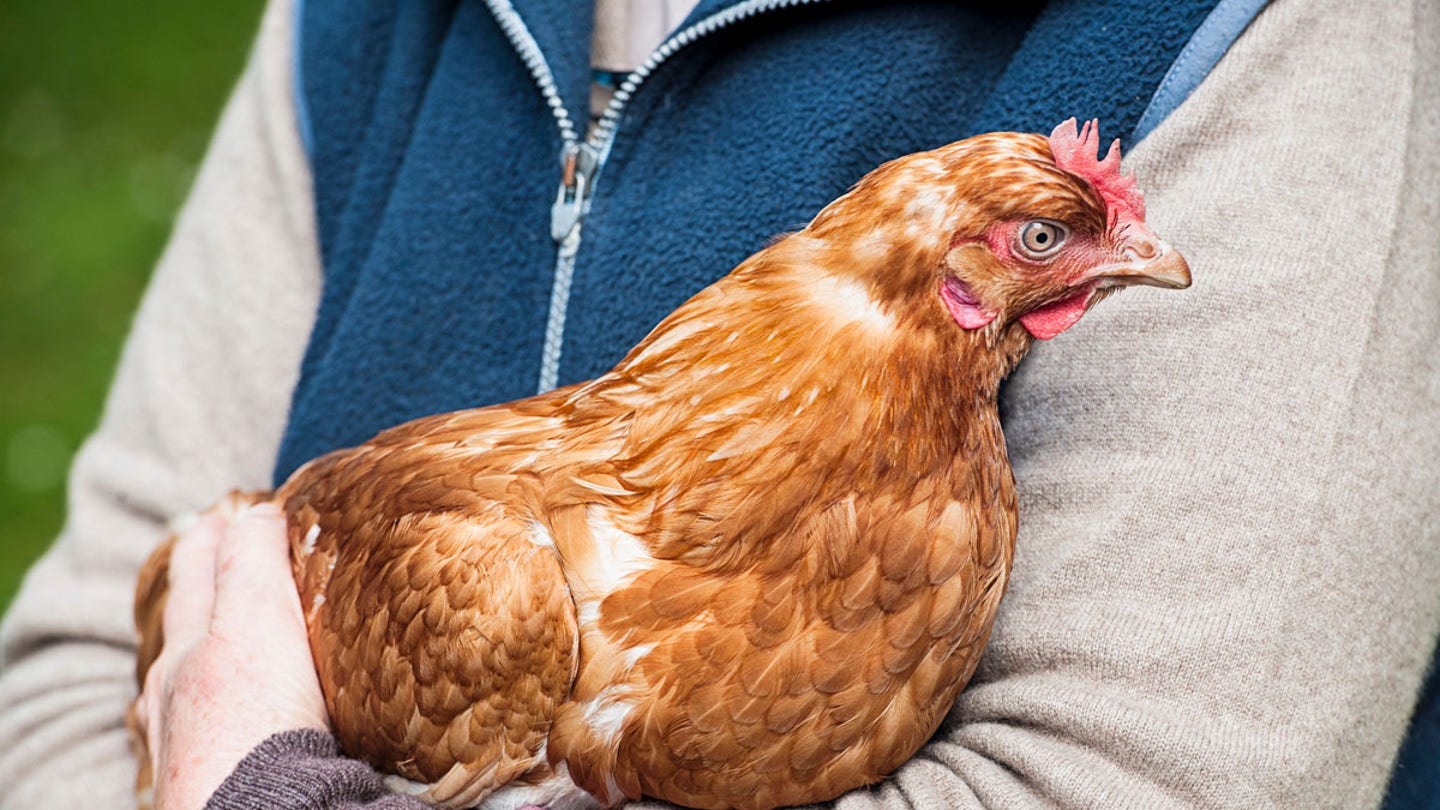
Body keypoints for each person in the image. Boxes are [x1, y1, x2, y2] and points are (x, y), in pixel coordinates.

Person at [2, 0, 1437, 807]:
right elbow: (69, 689)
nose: (1142, 251)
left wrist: (259, 792)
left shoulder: (1278, 33)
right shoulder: (362, 21)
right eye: (1056, 240)